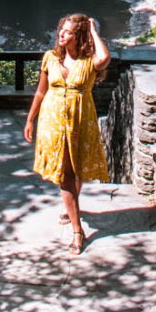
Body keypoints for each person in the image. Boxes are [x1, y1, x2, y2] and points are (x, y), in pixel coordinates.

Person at [23, 14, 110, 255]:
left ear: (79, 36)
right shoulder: (50, 58)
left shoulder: (88, 61)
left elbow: (104, 58)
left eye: (68, 32)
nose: (61, 35)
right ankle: (77, 230)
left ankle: (70, 208)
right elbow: (40, 93)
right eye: (61, 30)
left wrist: (93, 29)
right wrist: (30, 119)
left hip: (81, 121)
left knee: (77, 167)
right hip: (53, 121)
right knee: (66, 175)